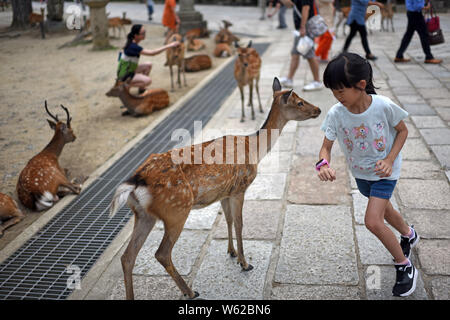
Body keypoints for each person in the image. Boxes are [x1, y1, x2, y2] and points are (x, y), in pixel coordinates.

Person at [318, 52, 420, 297]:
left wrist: (389, 159)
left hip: (385, 173)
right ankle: (409, 234)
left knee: (373, 221)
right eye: (333, 91)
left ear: (361, 85)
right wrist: (322, 164)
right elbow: (326, 147)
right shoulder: (336, 113)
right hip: (361, 174)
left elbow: (403, 131)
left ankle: (404, 266)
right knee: (385, 210)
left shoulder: (383, 106)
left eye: (341, 91)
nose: (337, 97)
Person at [116, 24, 180, 94]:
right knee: (148, 81)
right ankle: (124, 85)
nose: (144, 35)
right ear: (135, 35)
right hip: (125, 74)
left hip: (128, 69)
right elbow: (153, 53)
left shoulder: (131, 42)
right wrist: (169, 45)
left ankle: (141, 89)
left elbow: (121, 54)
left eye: (145, 32)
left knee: (148, 65)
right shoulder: (133, 46)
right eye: (143, 33)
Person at [279, 0, 324, 91]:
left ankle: (317, 81)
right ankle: (289, 79)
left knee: (310, 56)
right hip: (300, 30)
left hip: (305, 29)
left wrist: (303, 27)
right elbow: (290, 4)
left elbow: (306, 8)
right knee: (295, 54)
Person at [395, 0, 442, 64]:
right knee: (424, 35)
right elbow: (417, 5)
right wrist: (425, 7)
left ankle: (399, 55)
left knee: (408, 35)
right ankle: (429, 57)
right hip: (416, 15)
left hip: (411, 13)